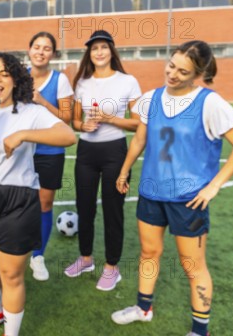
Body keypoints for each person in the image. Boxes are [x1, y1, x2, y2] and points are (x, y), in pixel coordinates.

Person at [111, 40, 233, 336]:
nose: (173, 74)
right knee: (149, 253)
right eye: (172, 65)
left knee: (192, 266)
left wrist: (213, 187)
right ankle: (143, 308)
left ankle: (200, 330)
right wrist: (124, 171)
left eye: (183, 71)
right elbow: (139, 139)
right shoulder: (152, 98)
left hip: (189, 202)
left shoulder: (210, 102)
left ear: (197, 74)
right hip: (151, 193)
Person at [0, 52, 76, 336]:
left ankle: (11, 333)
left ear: (15, 78)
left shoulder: (31, 111)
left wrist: (25, 134)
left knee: (11, 274)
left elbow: (68, 136)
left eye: (3, 73)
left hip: (18, 200)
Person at [65, 30, 142, 291]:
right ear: (89, 52)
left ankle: (112, 267)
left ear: (111, 50)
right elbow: (75, 121)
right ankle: (86, 258)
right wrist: (82, 126)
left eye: (103, 47)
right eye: (94, 48)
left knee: (113, 210)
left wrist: (110, 119)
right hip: (86, 152)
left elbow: (139, 124)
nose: (98, 52)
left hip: (115, 153)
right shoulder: (82, 82)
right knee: (84, 208)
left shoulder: (128, 81)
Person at [25, 31, 74, 282]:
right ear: (29, 50)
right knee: (19, 202)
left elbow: (66, 119)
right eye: (37, 46)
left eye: (46, 48)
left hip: (49, 151)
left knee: (44, 204)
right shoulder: (19, 74)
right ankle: (16, 250)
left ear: (52, 54)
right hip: (23, 148)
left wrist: (42, 100)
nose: (41, 51)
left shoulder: (60, 80)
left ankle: (38, 256)